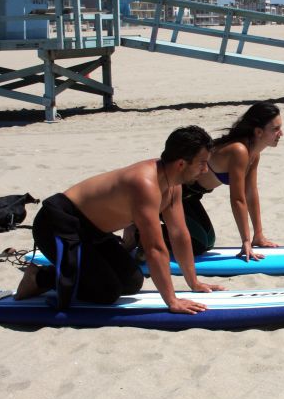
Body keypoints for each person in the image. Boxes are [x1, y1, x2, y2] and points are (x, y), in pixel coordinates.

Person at [16, 126, 223, 314]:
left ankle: (71, 272)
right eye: (202, 163)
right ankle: (39, 277)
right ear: (180, 164)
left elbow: (179, 234)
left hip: (95, 233)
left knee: (131, 281)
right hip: (58, 225)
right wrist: (172, 300)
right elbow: (154, 248)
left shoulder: (173, 184)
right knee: (107, 292)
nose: (205, 170)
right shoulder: (144, 184)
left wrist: (193, 282)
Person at [151, 101, 284, 263]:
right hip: (169, 193)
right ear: (258, 132)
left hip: (190, 198)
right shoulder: (239, 151)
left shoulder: (254, 154)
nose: (281, 133)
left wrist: (258, 235)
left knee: (208, 241)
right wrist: (245, 242)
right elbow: (237, 199)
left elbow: (251, 193)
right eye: (275, 129)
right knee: (198, 244)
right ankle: (142, 234)